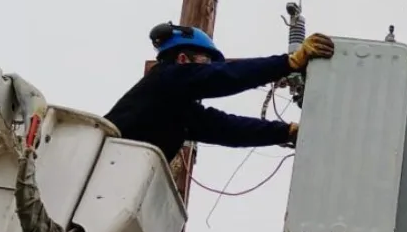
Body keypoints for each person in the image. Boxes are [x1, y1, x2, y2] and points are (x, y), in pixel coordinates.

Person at [104, 23, 335, 162]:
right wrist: (288, 63)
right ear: (183, 59)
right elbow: (226, 76)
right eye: (205, 64)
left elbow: (227, 128)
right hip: (99, 172)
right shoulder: (167, 77)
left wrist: (286, 132)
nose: (207, 71)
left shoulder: (176, 111)